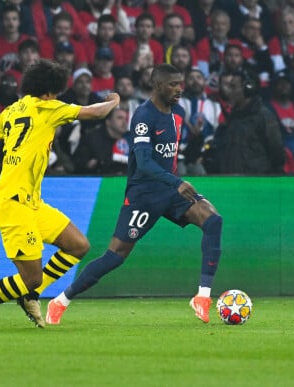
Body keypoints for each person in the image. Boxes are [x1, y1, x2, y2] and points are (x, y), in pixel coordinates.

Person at [0, 59, 121, 329]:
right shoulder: (48, 107)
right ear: (50, 91)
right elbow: (95, 113)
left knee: (78, 246)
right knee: (31, 277)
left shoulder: (14, 109)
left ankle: (30, 296)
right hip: (12, 203)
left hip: (31, 202)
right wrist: (114, 100)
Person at [46, 64, 224, 325]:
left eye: (180, 83)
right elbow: (144, 162)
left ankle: (203, 296)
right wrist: (176, 181)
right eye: (173, 84)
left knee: (213, 221)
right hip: (144, 196)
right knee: (115, 256)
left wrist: (174, 182)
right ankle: (60, 301)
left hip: (171, 191)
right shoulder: (143, 117)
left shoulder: (179, 112)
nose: (179, 89)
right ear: (158, 85)